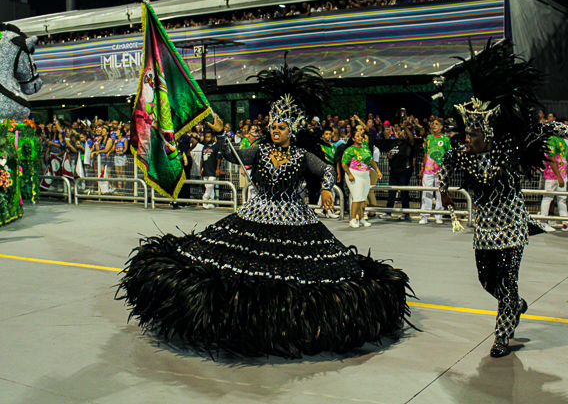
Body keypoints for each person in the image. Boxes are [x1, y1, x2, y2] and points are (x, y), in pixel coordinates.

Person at [117, 95, 411, 358]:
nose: (275, 130)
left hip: (295, 218)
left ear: (291, 131)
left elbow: (324, 172)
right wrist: (221, 134)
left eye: (281, 127)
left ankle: (285, 330)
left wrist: (325, 189)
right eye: (273, 126)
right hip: (255, 214)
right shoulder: (257, 151)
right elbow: (232, 155)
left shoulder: (301, 156)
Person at [437, 40, 568, 358]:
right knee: (487, 281)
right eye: (466, 135)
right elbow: (445, 168)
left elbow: (547, 126)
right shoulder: (460, 153)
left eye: (473, 136)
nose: (467, 140)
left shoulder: (508, 147)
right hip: (484, 229)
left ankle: (502, 335)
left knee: (508, 282)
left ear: (487, 134)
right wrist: (444, 193)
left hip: (512, 226)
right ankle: (514, 304)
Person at [538, 134, 568, 232]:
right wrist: (559, 177)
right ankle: (543, 223)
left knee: (562, 199)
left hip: (563, 174)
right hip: (552, 175)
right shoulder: (551, 140)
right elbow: (551, 159)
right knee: (548, 198)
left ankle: (566, 223)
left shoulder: (563, 140)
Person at [341, 131, 382, 228]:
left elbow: (371, 161)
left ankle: (361, 218)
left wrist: (377, 170)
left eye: (361, 136)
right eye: (358, 136)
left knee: (363, 198)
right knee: (357, 198)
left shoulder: (365, 148)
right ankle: (352, 219)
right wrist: (349, 174)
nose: (360, 138)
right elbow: (344, 164)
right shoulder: (350, 149)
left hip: (365, 175)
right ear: (353, 139)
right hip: (355, 174)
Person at [380, 121, 414, 220]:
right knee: (391, 193)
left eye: (404, 133)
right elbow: (391, 153)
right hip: (393, 172)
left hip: (404, 172)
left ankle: (406, 214)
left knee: (404, 193)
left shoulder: (408, 144)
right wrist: (389, 155)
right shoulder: (394, 144)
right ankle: (388, 212)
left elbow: (412, 138)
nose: (401, 135)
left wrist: (405, 128)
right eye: (400, 133)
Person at [420, 117, 451, 224]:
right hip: (428, 170)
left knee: (439, 193)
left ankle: (438, 216)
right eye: (432, 124)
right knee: (426, 193)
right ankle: (424, 215)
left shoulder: (446, 139)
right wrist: (422, 167)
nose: (433, 125)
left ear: (441, 126)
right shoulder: (428, 138)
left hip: (440, 170)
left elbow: (449, 154)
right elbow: (425, 153)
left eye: (436, 124)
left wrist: (447, 168)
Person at [315, 127, 339, 218]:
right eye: (326, 134)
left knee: (331, 190)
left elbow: (336, 161)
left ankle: (322, 209)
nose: (328, 136)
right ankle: (327, 210)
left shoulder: (333, 146)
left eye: (330, 134)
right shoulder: (319, 146)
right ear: (322, 135)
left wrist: (338, 173)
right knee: (328, 189)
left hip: (332, 170)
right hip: (323, 169)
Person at [200, 130, 220, 209]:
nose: (207, 139)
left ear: (213, 137)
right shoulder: (204, 146)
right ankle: (211, 201)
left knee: (210, 185)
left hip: (213, 168)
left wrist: (217, 169)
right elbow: (202, 158)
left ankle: (205, 198)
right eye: (206, 137)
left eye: (209, 137)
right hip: (205, 168)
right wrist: (201, 169)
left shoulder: (216, 146)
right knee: (207, 185)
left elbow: (219, 158)